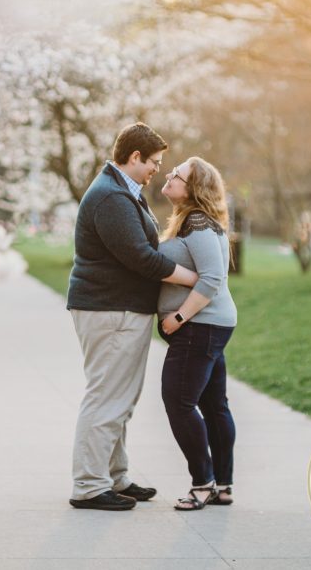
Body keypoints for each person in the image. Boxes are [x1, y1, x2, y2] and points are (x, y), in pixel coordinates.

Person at [66, 123, 199, 511]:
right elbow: (141, 257)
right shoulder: (111, 197)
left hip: (119, 309)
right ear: (135, 157)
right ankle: (89, 486)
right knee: (107, 396)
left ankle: (115, 476)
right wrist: (197, 280)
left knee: (121, 397)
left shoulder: (122, 191)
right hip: (109, 309)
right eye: (155, 162)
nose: (159, 169)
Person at [157, 156, 238, 511]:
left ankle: (202, 483)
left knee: (179, 402)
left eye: (178, 175)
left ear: (194, 188)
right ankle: (222, 485)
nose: (169, 176)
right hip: (210, 325)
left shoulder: (198, 222)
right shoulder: (194, 221)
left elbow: (212, 278)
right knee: (213, 405)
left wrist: (177, 316)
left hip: (199, 327)